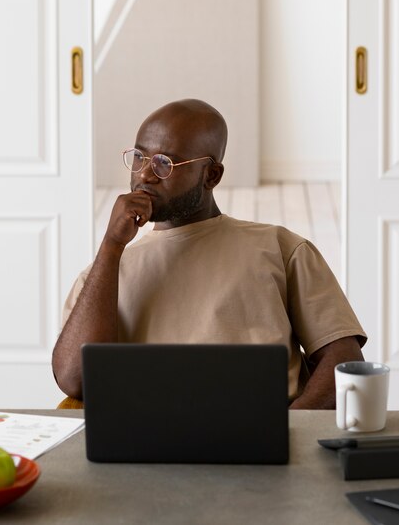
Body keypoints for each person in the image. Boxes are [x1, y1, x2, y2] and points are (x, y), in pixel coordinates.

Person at [52, 98, 366, 407]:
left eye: (165, 163)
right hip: (147, 444)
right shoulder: (105, 274)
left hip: (264, 443)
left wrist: (289, 434)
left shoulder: (281, 249)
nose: (145, 174)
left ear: (211, 175)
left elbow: (343, 359)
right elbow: (74, 379)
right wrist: (111, 246)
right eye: (139, 156)